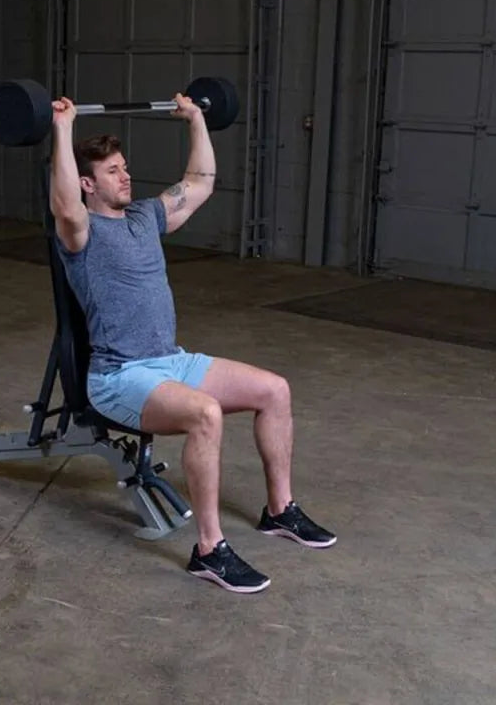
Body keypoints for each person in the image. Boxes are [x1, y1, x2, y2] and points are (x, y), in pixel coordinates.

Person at [49, 92, 335, 594]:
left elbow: (200, 183)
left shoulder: (144, 218)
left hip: (171, 362)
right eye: (113, 171)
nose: (126, 176)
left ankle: (280, 510)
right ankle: (209, 550)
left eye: (125, 167)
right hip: (120, 377)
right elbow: (63, 202)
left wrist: (197, 120)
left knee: (275, 390)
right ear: (89, 182)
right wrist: (62, 129)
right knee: (206, 414)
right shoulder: (80, 233)